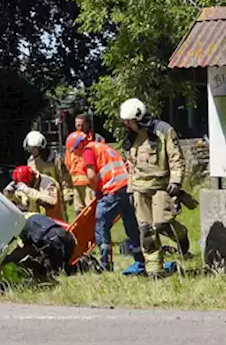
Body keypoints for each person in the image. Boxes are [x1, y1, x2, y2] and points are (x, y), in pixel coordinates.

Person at [119, 98, 190, 276]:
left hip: (161, 186)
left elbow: (176, 158)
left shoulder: (163, 131)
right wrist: (130, 189)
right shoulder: (130, 137)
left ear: (139, 117)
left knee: (162, 224)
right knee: (146, 230)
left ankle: (181, 235)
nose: (127, 125)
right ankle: (154, 270)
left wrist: (176, 181)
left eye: (130, 121)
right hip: (139, 189)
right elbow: (131, 166)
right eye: (125, 122)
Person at [73, 133, 146, 275]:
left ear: (79, 145)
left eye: (74, 150)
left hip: (111, 190)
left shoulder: (88, 150)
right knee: (131, 224)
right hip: (127, 188)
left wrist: (97, 190)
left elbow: (91, 175)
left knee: (101, 224)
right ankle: (140, 258)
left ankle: (106, 263)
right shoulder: (104, 148)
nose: (75, 154)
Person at [64, 114, 105, 215]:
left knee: (92, 212)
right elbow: (68, 162)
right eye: (77, 125)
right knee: (79, 212)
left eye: (82, 125)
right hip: (76, 184)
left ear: (88, 124)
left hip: (90, 184)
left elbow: (103, 160)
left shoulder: (96, 139)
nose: (80, 128)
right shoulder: (72, 140)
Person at [24, 130, 71, 214]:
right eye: (31, 148)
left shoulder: (54, 159)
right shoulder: (30, 161)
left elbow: (64, 177)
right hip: (38, 199)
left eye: (35, 148)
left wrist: (67, 193)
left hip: (54, 196)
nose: (33, 151)